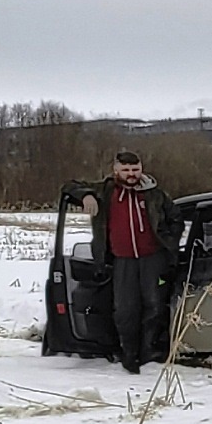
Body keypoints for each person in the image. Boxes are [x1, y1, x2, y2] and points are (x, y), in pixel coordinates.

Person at [66, 150, 182, 374]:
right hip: (122, 261)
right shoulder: (105, 191)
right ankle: (129, 356)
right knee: (125, 310)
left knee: (155, 306)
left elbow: (175, 218)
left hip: (153, 260)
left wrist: (169, 241)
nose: (131, 174)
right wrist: (86, 196)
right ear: (116, 170)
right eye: (126, 170)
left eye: (135, 169)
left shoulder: (155, 194)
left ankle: (149, 354)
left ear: (141, 169)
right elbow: (69, 186)